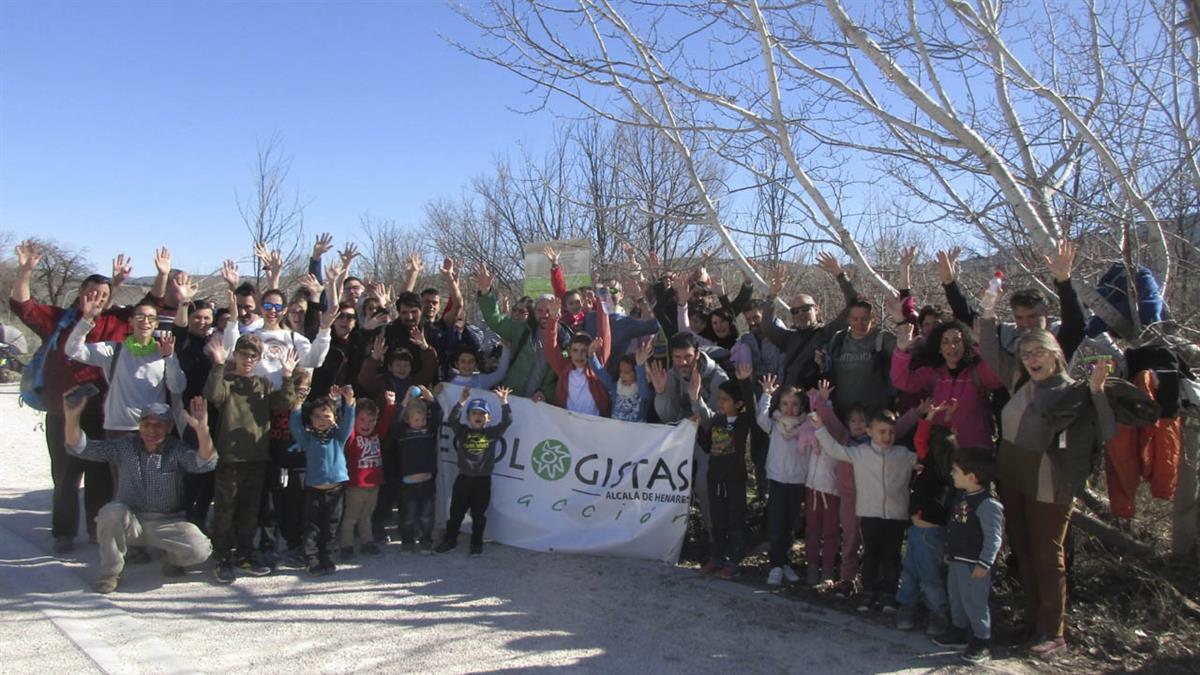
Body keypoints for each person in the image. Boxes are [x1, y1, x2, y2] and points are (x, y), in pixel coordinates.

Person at [10, 241, 144, 552]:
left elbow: (156, 304)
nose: (96, 299)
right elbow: (24, 306)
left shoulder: (116, 321)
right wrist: (26, 271)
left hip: (101, 412)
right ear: (80, 291)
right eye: (91, 293)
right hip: (62, 411)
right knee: (66, 477)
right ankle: (63, 533)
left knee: (100, 475)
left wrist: (156, 278)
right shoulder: (58, 319)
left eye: (103, 295)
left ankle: (97, 530)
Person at [62, 393, 216, 594]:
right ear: (139, 426)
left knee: (200, 549)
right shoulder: (125, 446)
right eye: (147, 424)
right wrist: (71, 416)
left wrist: (202, 430)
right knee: (110, 513)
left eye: (159, 425)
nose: (152, 430)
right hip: (131, 521)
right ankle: (110, 573)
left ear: (169, 428)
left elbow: (206, 462)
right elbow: (80, 448)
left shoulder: (176, 450)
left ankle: (169, 558)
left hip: (167, 523)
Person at [205, 333, 297, 583]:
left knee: (249, 510)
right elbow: (214, 396)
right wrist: (218, 363)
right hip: (230, 457)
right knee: (226, 508)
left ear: (258, 359)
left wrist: (287, 376)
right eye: (243, 354)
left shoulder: (263, 384)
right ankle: (222, 555)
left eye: (252, 356)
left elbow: (284, 404)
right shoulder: (226, 381)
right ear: (235, 355)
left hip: (257, 457)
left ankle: (245, 552)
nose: (247, 359)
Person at [812, 409, 918, 613]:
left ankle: (889, 594)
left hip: (896, 516)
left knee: (891, 556)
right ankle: (868, 592)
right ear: (869, 432)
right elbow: (835, 449)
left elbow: (921, 459)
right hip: (869, 514)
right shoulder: (860, 453)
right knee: (871, 555)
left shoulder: (903, 454)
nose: (888, 437)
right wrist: (819, 429)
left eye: (891, 432)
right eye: (882, 432)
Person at [64, 295, 186, 437]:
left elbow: (177, 387)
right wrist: (86, 319)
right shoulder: (113, 350)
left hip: (154, 429)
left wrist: (170, 358)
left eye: (151, 318)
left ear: (156, 323)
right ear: (131, 322)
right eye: (140, 317)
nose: (145, 322)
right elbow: (73, 350)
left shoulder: (163, 352)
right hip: (118, 429)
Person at [649, 332, 730, 532]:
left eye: (687, 356)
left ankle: (716, 538)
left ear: (697, 353)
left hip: (714, 441)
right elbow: (668, 417)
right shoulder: (671, 375)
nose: (682, 362)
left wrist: (696, 399)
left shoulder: (718, 378)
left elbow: (717, 423)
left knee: (704, 484)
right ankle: (670, 534)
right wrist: (660, 393)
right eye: (677, 357)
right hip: (684, 439)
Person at [932, 447, 1005, 664]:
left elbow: (994, 538)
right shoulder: (962, 498)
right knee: (956, 597)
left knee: (975, 602)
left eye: (956, 470)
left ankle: (981, 641)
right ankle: (958, 631)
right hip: (957, 561)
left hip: (975, 565)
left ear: (972, 477)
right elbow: (955, 528)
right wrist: (949, 552)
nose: (952, 474)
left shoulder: (988, 504)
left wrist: (985, 563)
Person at [895, 402, 958, 636]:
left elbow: (928, 441)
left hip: (931, 535)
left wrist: (931, 418)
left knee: (930, 577)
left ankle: (938, 612)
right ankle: (907, 606)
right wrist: (939, 418)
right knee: (909, 571)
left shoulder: (948, 478)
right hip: (915, 531)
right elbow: (935, 440)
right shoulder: (933, 465)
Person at [690, 362, 758, 579]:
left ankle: (734, 560)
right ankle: (717, 557)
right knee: (718, 521)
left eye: (725, 400)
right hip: (715, 480)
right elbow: (707, 444)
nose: (720, 403)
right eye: (719, 399)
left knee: (734, 522)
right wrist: (697, 426)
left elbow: (752, 405)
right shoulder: (717, 420)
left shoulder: (744, 421)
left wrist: (745, 381)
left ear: (737, 403)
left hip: (735, 481)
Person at [891, 321, 1003, 448]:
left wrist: (982, 346)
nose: (952, 346)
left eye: (957, 341)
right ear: (939, 347)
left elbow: (999, 376)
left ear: (966, 343)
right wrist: (902, 350)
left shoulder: (977, 372)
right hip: (942, 451)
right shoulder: (933, 374)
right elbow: (901, 380)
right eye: (945, 342)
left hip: (976, 451)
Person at [761, 253, 859, 391]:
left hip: (818, 402)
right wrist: (772, 296)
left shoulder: (829, 333)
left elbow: (853, 306)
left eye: (805, 309)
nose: (800, 314)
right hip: (790, 404)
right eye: (795, 311)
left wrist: (840, 275)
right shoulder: (789, 339)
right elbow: (767, 327)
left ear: (816, 309)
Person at [436, 387, 513, 556]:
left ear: (488, 418)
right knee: (456, 513)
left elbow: (507, 421)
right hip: (463, 479)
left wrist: (503, 402)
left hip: (482, 481)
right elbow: (453, 419)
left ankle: (476, 543)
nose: (478, 416)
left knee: (479, 515)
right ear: (468, 417)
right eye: (474, 413)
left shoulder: (491, 433)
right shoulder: (463, 431)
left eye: (482, 414)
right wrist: (462, 401)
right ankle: (450, 539)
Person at [755, 374, 817, 585]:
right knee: (776, 523)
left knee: (791, 523)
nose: (790, 408)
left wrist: (818, 401)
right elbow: (760, 418)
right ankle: (775, 565)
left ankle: (785, 562)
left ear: (801, 406)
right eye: (785, 403)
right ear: (779, 405)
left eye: (795, 404)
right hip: (778, 480)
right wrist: (766, 395)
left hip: (798, 480)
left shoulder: (808, 426)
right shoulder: (774, 424)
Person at [291, 385, 355, 576]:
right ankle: (312, 559)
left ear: (334, 419)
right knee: (312, 527)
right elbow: (295, 427)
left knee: (331, 526)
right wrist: (296, 407)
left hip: (335, 490)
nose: (322, 420)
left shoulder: (338, 437)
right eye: (317, 416)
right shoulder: (309, 439)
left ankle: (328, 556)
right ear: (311, 419)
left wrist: (349, 402)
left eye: (326, 416)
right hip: (314, 490)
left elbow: (349, 423)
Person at [339, 393, 394, 559]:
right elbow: (348, 426)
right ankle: (346, 545)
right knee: (351, 517)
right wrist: (349, 406)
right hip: (355, 485)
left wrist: (390, 405)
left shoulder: (376, 434)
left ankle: (367, 542)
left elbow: (385, 423)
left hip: (374, 484)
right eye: (362, 419)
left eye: (371, 420)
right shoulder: (351, 437)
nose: (366, 424)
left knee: (366, 516)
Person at [390, 385, 443, 553]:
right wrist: (405, 401)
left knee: (426, 515)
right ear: (408, 419)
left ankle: (426, 539)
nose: (420, 423)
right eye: (416, 420)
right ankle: (407, 539)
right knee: (408, 516)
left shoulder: (429, 431)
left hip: (426, 482)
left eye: (422, 419)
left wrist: (430, 399)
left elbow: (438, 416)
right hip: (408, 484)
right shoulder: (402, 434)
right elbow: (395, 422)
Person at [544, 297, 612, 417]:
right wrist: (553, 319)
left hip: (595, 426)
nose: (579, 355)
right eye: (575, 350)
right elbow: (550, 349)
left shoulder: (597, 367)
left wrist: (602, 301)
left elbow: (604, 334)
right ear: (570, 352)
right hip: (569, 427)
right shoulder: (564, 368)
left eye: (584, 351)